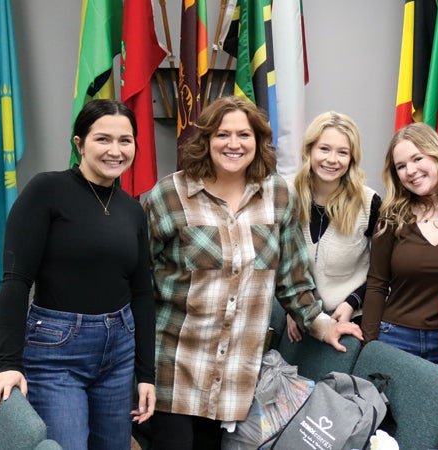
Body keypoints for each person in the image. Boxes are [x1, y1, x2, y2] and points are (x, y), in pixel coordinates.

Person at [142, 96, 363, 450]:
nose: (233, 144)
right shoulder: (170, 195)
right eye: (222, 134)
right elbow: (139, 280)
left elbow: (293, 278)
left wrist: (323, 325)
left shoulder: (278, 195)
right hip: (175, 368)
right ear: (206, 140)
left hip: (236, 376)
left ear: (258, 142)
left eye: (244, 135)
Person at [0, 99, 156, 449]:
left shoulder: (133, 210)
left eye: (125, 140)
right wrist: (8, 363)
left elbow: (141, 292)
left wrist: (146, 375)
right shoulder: (46, 191)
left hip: (119, 352)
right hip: (56, 352)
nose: (115, 150)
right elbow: (17, 281)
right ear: (79, 143)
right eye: (103, 139)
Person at [362, 122, 438, 364]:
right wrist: (369, 346)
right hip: (395, 339)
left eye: (417, 158)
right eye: (401, 166)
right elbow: (376, 284)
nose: (411, 170)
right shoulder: (391, 219)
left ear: (437, 155)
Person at [285, 111, 381, 343]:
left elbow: (383, 273)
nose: (332, 159)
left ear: (352, 159)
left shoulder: (369, 203)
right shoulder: (286, 195)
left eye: (342, 152)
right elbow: (278, 263)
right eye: (324, 149)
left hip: (349, 319)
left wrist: (353, 302)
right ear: (309, 150)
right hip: (298, 321)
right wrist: (291, 306)